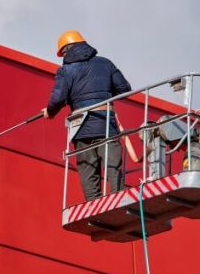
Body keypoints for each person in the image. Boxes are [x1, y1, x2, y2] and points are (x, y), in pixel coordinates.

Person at [42, 30, 132, 201]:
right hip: (106, 124)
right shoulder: (105, 64)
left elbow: (58, 98)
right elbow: (124, 89)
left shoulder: (66, 71)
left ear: (66, 50)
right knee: (113, 165)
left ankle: (93, 205)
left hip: (81, 128)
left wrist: (50, 112)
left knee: (87, 168)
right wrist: (102, 92)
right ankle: (118, 199)